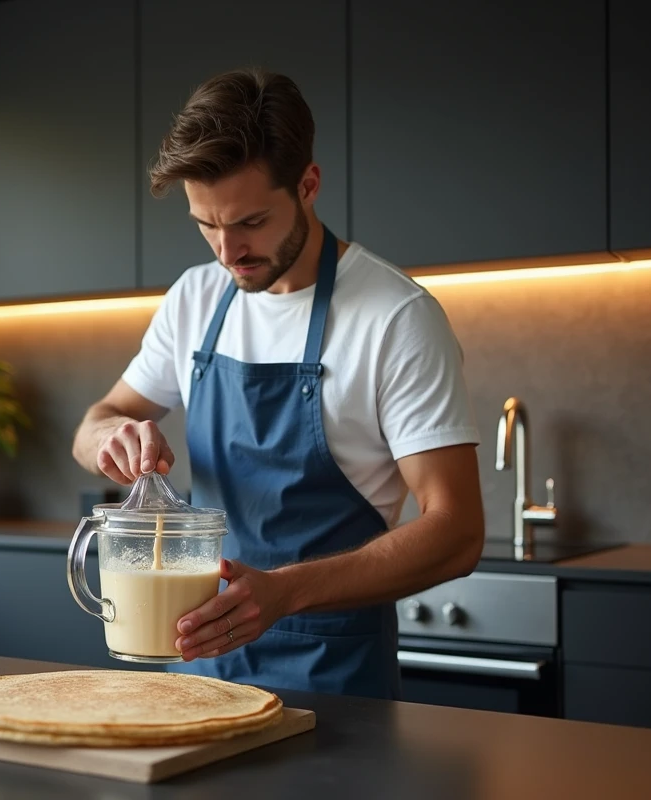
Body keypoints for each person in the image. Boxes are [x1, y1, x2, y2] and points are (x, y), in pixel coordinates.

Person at [70, 68, 485, 699]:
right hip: (201, 673)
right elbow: (99, 417)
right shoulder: (196, 298)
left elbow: (457, 531)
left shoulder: (396, 317)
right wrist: (112, 437)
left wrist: (284, 591)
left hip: (335, 682)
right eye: (206, 224)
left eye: (250, 222)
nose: (226, 251)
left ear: (309, 184)